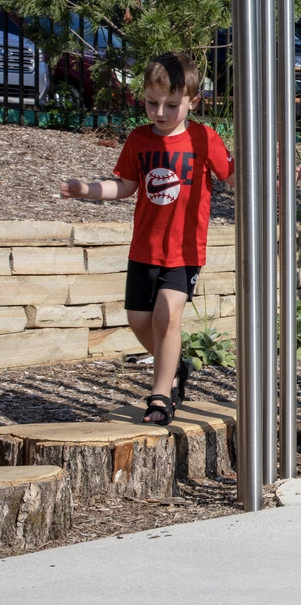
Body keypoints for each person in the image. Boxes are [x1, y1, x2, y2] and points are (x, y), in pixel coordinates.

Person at [61, 51, 235, 426]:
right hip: (145, 248)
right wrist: (85, 189)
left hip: (185, 250)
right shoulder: (139, 139)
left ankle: (161, 396)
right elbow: (124, 185)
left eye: (171, 105)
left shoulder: (204, 138)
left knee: (167, 314)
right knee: (140, 320)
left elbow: (234, 178)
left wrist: (280, 182)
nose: (160, 112)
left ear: (193, 100)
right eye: (152, 103)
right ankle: (175, 366)